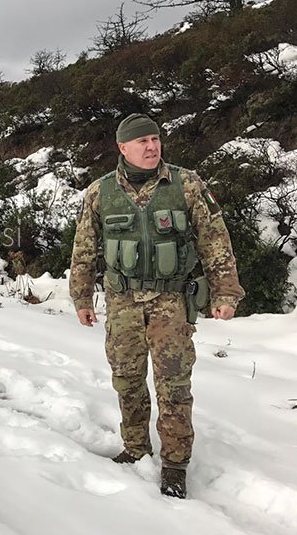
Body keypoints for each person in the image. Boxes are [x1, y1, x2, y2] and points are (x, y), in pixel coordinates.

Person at [69, 113, 244, 499]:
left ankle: (176, 465)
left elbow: (215, 239)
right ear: (123, 147)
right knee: (127, 379)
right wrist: (81, 297)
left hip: (171, 301)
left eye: (155, 139)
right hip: (122, 303)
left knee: (174, 384)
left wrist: (225, 293)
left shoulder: (186, 184)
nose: (152, 147)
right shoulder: (100, 192)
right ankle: (135, 448)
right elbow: (84, 248)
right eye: (142, 141)